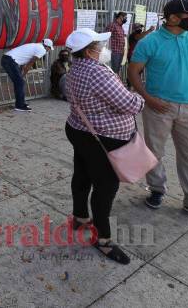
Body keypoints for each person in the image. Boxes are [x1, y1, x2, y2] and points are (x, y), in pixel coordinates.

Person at [128, 0, 188, 224]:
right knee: (154, 152)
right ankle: (157, 189)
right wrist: (148, 98)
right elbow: (133, 72)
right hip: (159, 107)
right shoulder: (150, 42)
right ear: (173, 17)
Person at [64, 28, 144, 265]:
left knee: (82, 175)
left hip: (79, 130)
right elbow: (129, 104)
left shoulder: (74, 70)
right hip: (103, 138)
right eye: (99, 46)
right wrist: (139, 99)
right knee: (105, 187)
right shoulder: (98, 73)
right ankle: (103, 239)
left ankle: (80, 217)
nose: (102, 50)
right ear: (89, 52)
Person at [1, 39, 54, 112]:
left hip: (8, 59)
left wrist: (22, 74)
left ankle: (21, 103)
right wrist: (23, 75)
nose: (49, 50)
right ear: (46, 46)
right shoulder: (42, 50)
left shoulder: (35, 45)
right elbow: (30, 63)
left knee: (19, 82)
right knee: (20, 82)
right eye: (49, 48)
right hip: (10, 61)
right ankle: (19, 105)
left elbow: (24, 61)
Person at [126, 23, 155, 88]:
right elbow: (139, 37)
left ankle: (135, 86)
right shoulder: (133, 35)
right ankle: (130, 86)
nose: (140, 29)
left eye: (141, 28)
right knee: (133, 72)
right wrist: (149, 30)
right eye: (139, 27)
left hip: (138, 56)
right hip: (132, 55)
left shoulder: (139, 35)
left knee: (138, 72)